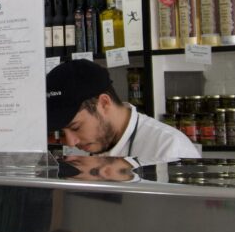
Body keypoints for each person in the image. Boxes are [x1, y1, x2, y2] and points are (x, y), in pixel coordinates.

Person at [45, 59, 199, 162]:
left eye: (76, 127)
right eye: (63, 132)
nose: (71, 143)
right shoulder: (89, 147)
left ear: (104, 103)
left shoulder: (169, 149)